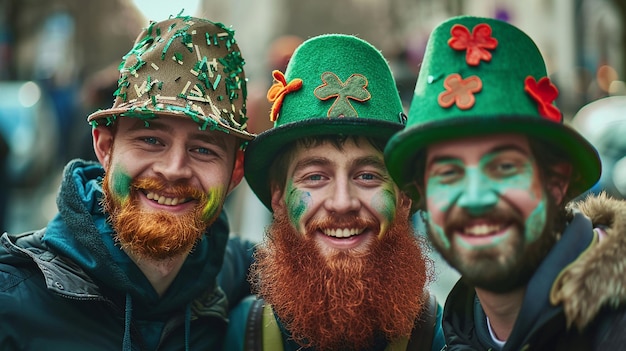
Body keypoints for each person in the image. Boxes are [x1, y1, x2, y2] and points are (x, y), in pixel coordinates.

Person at [0, 15, 256, 350]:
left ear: (235, 172)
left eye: (202, 149)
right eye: (151, 140)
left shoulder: (239, 279)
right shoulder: (12, 303)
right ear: (105, 147)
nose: (173, 169)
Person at [384, 15, 626, 350]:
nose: (474, 197)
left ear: (556, 183)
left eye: (504, 166)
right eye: (448, 173)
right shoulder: (456, 335)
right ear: (424, 199)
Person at [223, 34, 444, 351]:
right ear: (278, 198)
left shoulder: (443, 337)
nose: (342, 202)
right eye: (315, 177)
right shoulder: (240, 335)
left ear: (404, 196)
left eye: (367, 175)